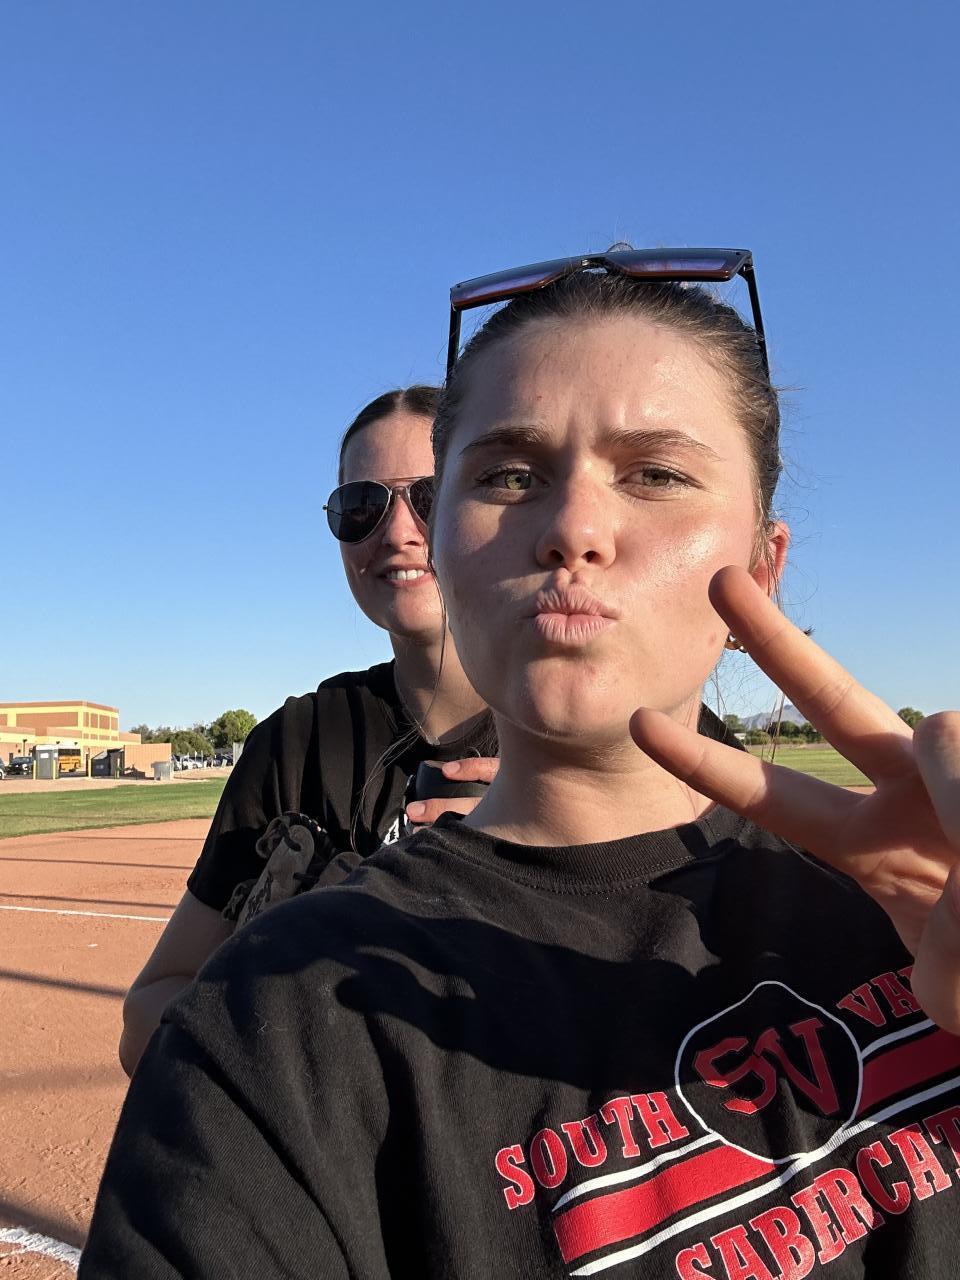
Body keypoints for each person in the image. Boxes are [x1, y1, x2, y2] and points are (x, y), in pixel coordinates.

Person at [84, 254, 960, 1278]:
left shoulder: (913, 898)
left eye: (657, 473)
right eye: (508, 475)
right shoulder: (275, 1014)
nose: (573, 528)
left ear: (762, 567)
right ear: (448, 554)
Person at [118, 385, 497, 1076]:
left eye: (431, 494)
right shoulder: (295, 743)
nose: (397, 531)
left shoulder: (584, 738)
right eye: (361, 506)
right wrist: (289, 1019)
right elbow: (147, 1011)